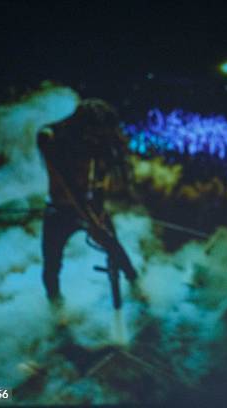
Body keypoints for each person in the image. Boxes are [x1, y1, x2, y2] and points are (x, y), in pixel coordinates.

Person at [37, 98, 138, 303]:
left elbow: (99, 177)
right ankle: (56, 307)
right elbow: (69, 184)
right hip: (59, 210)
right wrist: (93, 221)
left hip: (89, 204)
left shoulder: (94, 140)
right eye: (96, 132)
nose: (97, 137)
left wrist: (98, 211)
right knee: (52, 265)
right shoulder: (50, 137)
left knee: (113, 246)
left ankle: (137, 284)